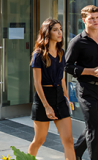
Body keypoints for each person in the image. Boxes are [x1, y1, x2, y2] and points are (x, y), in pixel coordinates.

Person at [65, 5, 98, 160]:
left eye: (97, 18)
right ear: (84, 20)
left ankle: (75, 152)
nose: (95, 21)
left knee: (97, 126)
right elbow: (67, 66)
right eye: (91, 18)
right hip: (86, 89)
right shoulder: (77, 42)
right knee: (93, 128)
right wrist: (91, 71)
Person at [28, 18, 75, 160]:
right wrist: (47, 106)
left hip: (60, 98)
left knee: (69, 141)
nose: (59, 32)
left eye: (60, 29)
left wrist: (67, 99)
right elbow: (37, 82)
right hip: (44, 98)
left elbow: (62, 78)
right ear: (47, 33)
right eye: (55, 29)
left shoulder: (61, 52)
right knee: (39, 140)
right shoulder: (38, 54)